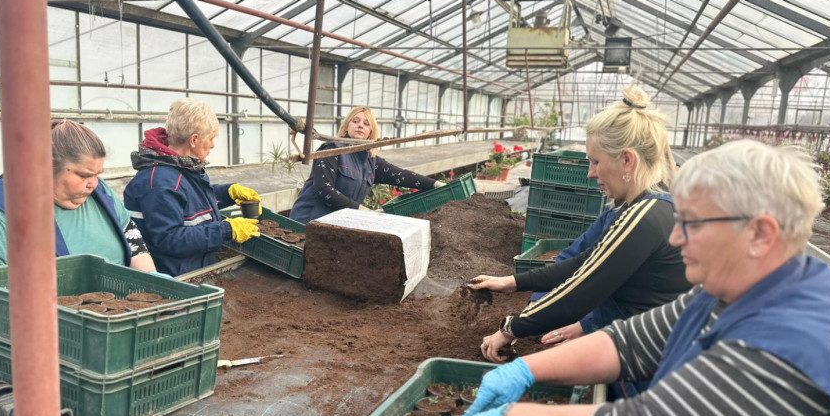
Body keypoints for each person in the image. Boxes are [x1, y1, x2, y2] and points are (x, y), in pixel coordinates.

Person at [427, 140, 830, 416]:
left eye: (691, 223)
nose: (676, 238)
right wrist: (525, 370)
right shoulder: (728, 290)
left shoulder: (798, 343)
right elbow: (630, 341)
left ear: (759, 234)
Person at [472, 85, 690, 364]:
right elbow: (583, 262)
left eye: (596, 162)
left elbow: (580, 290)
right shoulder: (646, 208)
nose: (590, 173)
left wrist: (510, 328)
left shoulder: (644, 217)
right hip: (643, 345)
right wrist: (513, 282)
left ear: (626, 159)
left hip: (652, 360)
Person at [0, 121, 156, 344]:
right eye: (84, 175)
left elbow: (132, 240)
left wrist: (153, 287)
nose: (93, 184)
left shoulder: (100, 193)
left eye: (97, 174)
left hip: (111, 336)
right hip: (37, 348)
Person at [123, 99, 261, 276]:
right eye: (211, 138)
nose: (212, 145)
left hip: (194, 269)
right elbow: (170, 239)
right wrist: (226, 229)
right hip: (174, 279)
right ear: (194, 140)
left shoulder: (181, 167)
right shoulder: (159, 181)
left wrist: (227, 192)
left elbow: (190, 200)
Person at [289, 106, 444, 223]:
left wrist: (435, 184)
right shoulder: (331, 150)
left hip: (335, 224)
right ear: (347, 127)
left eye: (366, 123)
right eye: (355, 121)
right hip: (308, 222)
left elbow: (400, 175)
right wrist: (360, 210)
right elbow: (324, 190)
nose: (360, 125)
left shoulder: (370, 160)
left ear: (371, 131)